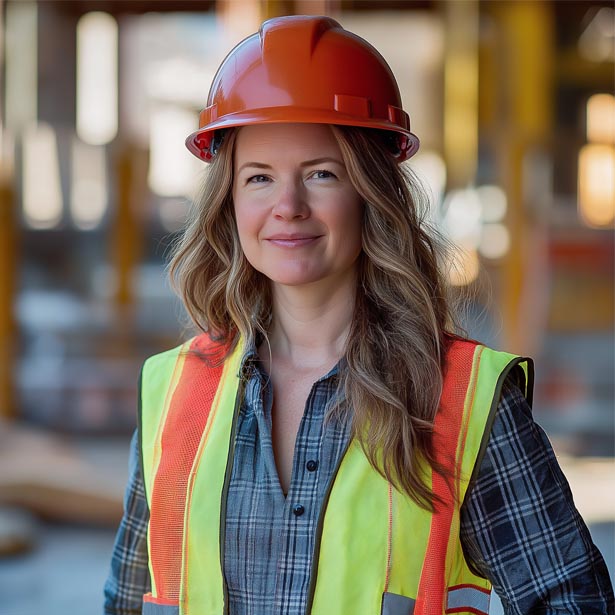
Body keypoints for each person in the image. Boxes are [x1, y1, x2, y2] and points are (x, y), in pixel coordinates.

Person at [104, 15, 614, 615]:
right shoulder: (174, 394)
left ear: (371, 192)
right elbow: (127, 602)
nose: (288, 207)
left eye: (322, 174)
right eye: (259, 178)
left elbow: (576, 602)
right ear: (229, 201)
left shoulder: (462, 401)